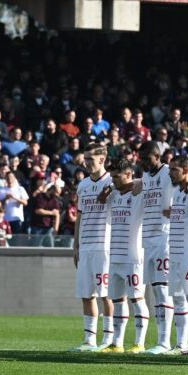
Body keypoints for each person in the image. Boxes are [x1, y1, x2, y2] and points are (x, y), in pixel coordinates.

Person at [99, 159, 148, 353]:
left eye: (116, 177)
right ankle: (117, 343)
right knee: (117, 300)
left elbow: (148, 181)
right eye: (111, 177)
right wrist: (110, 187)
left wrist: (132, 182)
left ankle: (139, 342)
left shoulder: (139, 194)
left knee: (137, 299)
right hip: (115, 255)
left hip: (133, 256)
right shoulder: (114, 195)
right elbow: (100, 200)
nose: (113, 181)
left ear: (128, 174)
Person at [70, 143, 113, 351]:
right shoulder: (83, 185)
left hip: (105, 246)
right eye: (85, 158)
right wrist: (76, 244)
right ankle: (89, 340)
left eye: (90, 159)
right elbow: (79, 216)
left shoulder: (113, 181)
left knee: (106, 294)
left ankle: (109, 339)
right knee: (86, 294)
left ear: (102, 159)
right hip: (85, 246)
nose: (86, 162)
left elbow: (138, 183)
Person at [136, 141, 175, 354]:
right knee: (153, 289)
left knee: (163, 289)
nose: (142, 162)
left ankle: (165, 341)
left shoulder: (169, 172)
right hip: (147, 239)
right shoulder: (145, 177)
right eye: (140, 159)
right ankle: (161, 341)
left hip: (164, 237)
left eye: (146, 158)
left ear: (157, 156)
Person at [166, 156, 188, 354]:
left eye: (174, 170)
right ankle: (181, 344)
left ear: (186, 169)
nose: (170, 173)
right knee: (178, 297)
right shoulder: (177, 191)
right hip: (175, 250)